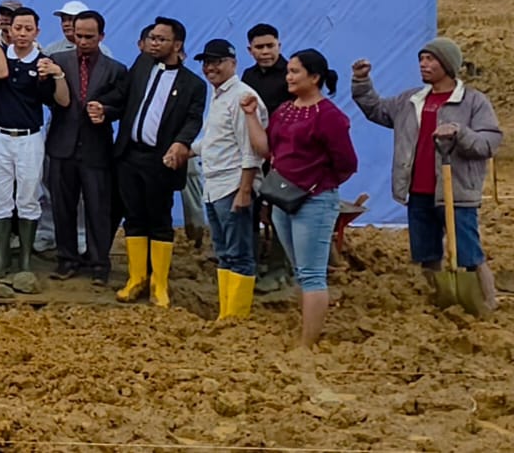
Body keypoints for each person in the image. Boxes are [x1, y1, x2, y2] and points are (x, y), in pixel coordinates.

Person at [352, 38, 502, 311]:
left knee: (469, 253)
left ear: (447, 64)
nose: (423, 64)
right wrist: (362, 82)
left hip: (456, 192)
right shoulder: (411, 101)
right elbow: (377, 110)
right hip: (418, 191)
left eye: (430, 59)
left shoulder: (472, 102)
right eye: (421, 59)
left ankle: (486, 303)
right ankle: (437, 300)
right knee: (426, 254)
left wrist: (459, 132)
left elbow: (489, 142)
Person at [242, 49, 358, 348]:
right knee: (301, 271)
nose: (289, 77)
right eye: (289, 72)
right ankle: (306, 332)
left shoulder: (330, 116)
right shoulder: (284, 110)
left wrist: (316, 184)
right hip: (283, 199)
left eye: (295, 72)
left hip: (314, 201)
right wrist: (251, 116)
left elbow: (346, 163)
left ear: (315, 77)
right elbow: (267, 150)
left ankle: (307, 343)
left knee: (311, 274)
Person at [87, 16, 206, 308]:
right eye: (152, 38)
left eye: (161, 39)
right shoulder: (141, 65)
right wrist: (105, 109)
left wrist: (181, 143)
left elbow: (193, 120)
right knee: (134, 218)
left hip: (161, 160)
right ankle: (136, 278)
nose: (153, 43)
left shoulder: (193, 84)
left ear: (177, 45)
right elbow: (123, 98)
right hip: (129, 155)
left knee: (160, 221)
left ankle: (159, 283)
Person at [46, 11, 127, 286]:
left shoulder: (115, 69)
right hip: (62, 144)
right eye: (78, 35)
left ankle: (99, 262)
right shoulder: (58, 61)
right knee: (62, 207)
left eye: (89, 37)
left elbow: (122, 105)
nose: (82, 41)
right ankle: (67, 259)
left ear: (101, 36)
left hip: (96, 147)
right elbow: (46, 97)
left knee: (98, 208)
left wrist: (105, 111)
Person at [0, 7, 68, 277]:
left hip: (29, 138)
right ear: (9, 30)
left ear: (37, 32)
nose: (22, 33)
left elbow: (58, 101)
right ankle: (2, 260)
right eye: (17, 28)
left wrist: (53, 76)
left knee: (28, 196)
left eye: (28, 29)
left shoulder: (44, 61)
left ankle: (25, 259)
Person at [193, 38, 267, 319]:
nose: (210, 68)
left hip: (232, 185)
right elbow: (217, 139)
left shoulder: (242, 97)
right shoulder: (220, 95)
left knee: (239, 253)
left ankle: (237, 316)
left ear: (233, 63)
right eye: (206, 63)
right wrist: (187, 150)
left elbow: (251, 149)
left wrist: (245, 190)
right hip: (214, 185)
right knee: (224, 252)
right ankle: (227, 313)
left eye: (217, 62)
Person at [241, 23, 293, 115]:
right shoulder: (248, 75)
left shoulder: (292, 73)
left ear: (279, 46)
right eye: (259, 47)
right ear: (250, 50)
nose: (265, 52)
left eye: (270, 46)